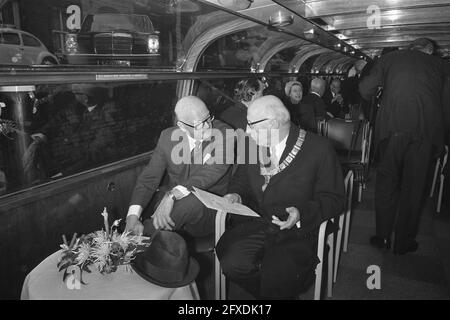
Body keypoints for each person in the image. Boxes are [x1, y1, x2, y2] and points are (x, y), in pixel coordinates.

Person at [216, 95, 345, 299]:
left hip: (296, 230)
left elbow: (334, 198)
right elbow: (241, 178)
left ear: (273, 123)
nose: (247, 130)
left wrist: (301, 214)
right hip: (258, 221)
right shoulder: (252, 144)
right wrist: (236, 194)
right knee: (232, 263)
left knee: (279, 275)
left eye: (251, 124)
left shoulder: (319, 149)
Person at [359, 38, 450, 254]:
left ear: (411, 47)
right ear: (430, 51)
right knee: (414, 188)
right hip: (426, 134)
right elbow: (447, 105)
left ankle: (382, 237)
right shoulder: (442, 66)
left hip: (392, 130)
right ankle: (403, 242)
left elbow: (365, 89)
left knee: (386, 184)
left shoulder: (391, 58)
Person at [125, 96, 233, 238]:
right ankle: (138, 236)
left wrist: (172, 195)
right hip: (174, 209)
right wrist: (132, 215)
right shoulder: (167, 137)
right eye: (200, 124)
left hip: (209, 210)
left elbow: (209, 173)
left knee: (191, 202)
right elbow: (149, 178)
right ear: (182, 126)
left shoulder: (226, 134)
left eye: (208, 118)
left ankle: (139, 239)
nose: (208, 126)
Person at [22, 84, 117, 179]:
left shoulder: (105, 121)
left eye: (75, 93)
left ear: (85, 98)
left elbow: (91, 157)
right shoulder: (76, 106)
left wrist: (63, 175)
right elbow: (57, 119)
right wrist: (41, 135)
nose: (73, 95)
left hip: (73, 173)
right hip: (56, 161)